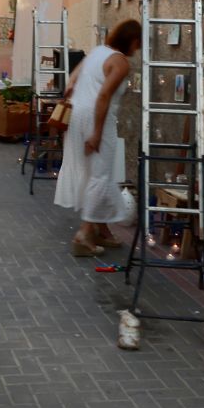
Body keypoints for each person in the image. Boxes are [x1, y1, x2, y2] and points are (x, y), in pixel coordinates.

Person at [55, 19, 142, 257]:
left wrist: (74, 91)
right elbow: (103, 96)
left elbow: (73, 78)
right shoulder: (120, 62)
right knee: (101, 174)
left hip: (76, 115)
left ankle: (102, 230)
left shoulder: (97, 52)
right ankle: (84, 234)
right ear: (132, 40)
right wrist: (97, 133)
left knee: (91, 171)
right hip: (96, 118)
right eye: (138, 43)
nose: (138, 48)